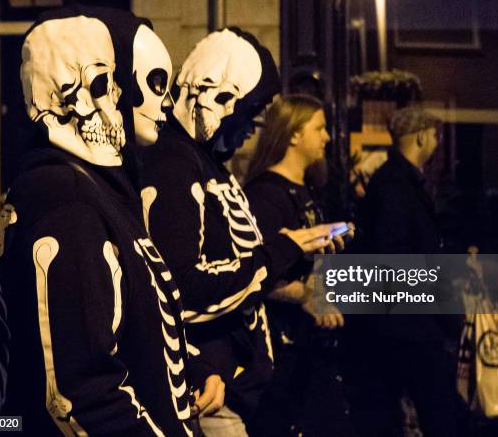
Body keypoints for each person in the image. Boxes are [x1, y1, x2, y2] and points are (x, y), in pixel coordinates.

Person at [0, 7, 199, 436]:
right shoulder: (68, 202)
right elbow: (80, 392)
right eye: (153, 84)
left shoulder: (97, 194)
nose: (166, 103)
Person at [140, 29, 345, 436]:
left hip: (237, 383)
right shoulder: (175, 166)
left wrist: (287, 249)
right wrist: (280, 252)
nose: (255, 124)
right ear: (219, 96)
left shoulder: (208, 164)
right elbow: (180, 287)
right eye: (251, 109)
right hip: (212, 388)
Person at [349, 106, 466, 436]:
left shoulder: (398, 182)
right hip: (407, 325)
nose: (438, 142)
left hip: (406, 322)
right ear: (421, 137)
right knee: (437, 410)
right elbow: (394, 257)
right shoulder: (395, 186)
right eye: (435, 135)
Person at [244, 94, 355, 436]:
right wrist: (306, 297)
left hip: (311, 351)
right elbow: (254, 275)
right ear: (293, 134)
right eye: (319, 128)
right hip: (283, 356)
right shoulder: (265, 196)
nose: (327, 137)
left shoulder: (307, 191)